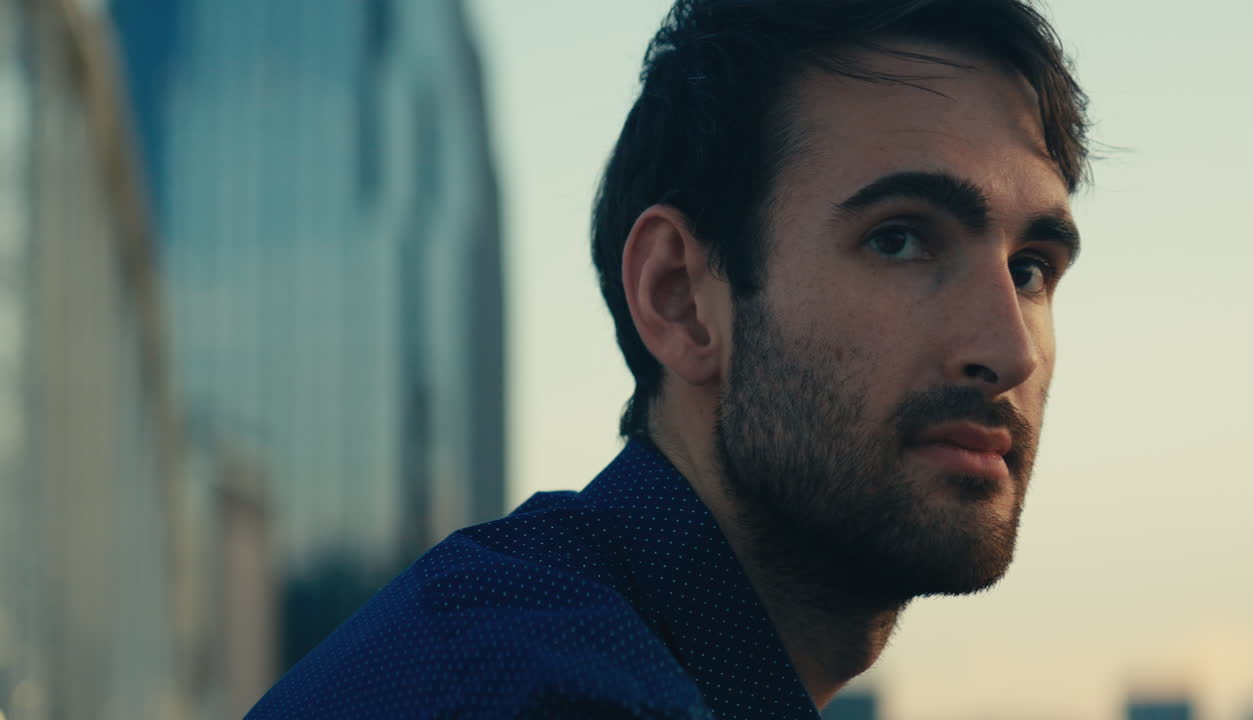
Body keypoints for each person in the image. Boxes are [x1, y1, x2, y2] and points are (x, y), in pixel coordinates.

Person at [249, 0, 1089, 717]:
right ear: (681, 297)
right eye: (898, 239)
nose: (1007, 349)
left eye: (1030, 270)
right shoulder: (547, 690)